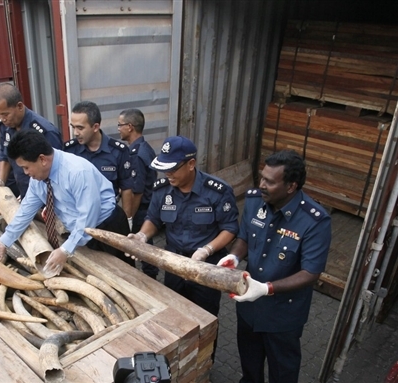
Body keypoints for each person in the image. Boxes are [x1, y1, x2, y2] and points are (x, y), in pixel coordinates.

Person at [217, 150, 331, 383]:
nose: (261, 185)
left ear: (291, 186)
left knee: (282, 373)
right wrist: (235, 257)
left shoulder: (314, 220)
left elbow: (310, 273)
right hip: (249, 307)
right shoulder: (254, 200)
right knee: (250, 366)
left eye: (269, 181)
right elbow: (245, 237)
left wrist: (266, 288)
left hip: (283, 316)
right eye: (261, 178)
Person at [0, 129, 133, 277]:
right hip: (79, 232)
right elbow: (25, 211)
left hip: (107, 227)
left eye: (26, 167)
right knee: (99, 274)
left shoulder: (77, 172)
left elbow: (88, 218)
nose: (25, 173)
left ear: (42, 159)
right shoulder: (38, 179)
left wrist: (65, 250)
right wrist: (4, 241)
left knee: (125, 275)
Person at [128, 136, 239, 317]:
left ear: (191, 164)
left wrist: (207, 249)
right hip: (174, 264)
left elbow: (230, 228)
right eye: (164, 169)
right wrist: (141, 236)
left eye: (172, 169)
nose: (168, 174)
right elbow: (153, 219)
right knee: (175, 315)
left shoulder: (217, 191)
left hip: (205, 268)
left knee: (206, 318)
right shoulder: (162, 190)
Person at [65, 101, 135, 224]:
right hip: (79, 219)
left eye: (80, 128)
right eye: (73, 127)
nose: (75, 133)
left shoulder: (118, 152)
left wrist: (127, 221)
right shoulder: (69, 150)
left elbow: (126, 188)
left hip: (108, 218)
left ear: (96, 127)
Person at [0, 83, 62, 198]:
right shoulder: (5, 125)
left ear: (19, 106)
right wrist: (0, 182)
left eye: (5, 114)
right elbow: (4, 155)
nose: (2, 119)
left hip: (45, 195)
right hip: (23, 191)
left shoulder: (45, 131)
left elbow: (57, 170)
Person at [117, 108, 159, 279]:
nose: (118, 128)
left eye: (120, 125)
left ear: (130, 126)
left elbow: (137, 191)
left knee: (141, 247)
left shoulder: (135, 155)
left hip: (140, 209)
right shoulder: (145, 147)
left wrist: (129, 218)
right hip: (147, 208)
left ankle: (150, 280)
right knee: (147, 246)